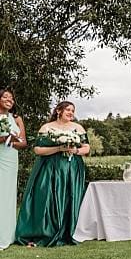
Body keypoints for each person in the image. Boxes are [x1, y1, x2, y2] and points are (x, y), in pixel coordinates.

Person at [14, 101, 90, 247]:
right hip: (48, 168)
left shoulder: (77, 128)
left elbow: (86, 148)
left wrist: (75, 151)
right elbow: (38, 150)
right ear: (58, 111)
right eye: (68, 110)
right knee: (47, 198)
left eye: (73, 111)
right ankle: (45, 231)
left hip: (71, 168)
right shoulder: (47, 127)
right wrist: (58, 148)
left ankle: (68, 230)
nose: (71, 113)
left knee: (69, 197)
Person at [0, 88, 28, 250]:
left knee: (8, 195)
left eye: (11, 98)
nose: (9, 100)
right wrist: (4, 138)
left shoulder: (16, 119)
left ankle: (7, 235)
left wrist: (10, 140)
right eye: (5, 97)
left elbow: (23, 143)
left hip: (10, 159)